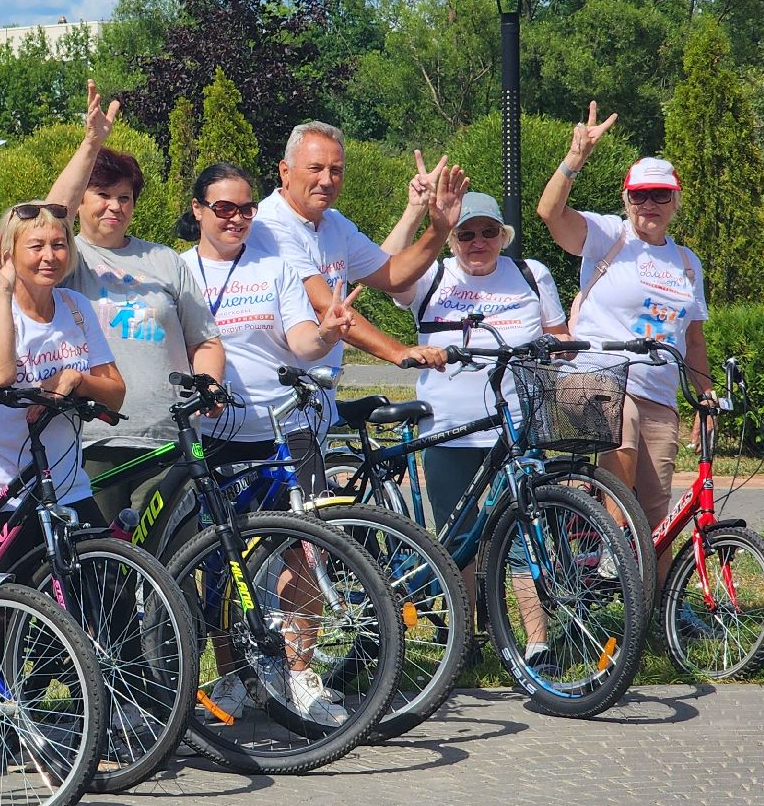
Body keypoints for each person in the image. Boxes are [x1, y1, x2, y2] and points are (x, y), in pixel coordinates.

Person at [176, 163, 354, 726]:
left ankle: (303, 678)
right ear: (199, 210)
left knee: (304, 554)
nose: (236, 218)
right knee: (221, 568)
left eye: (246, 208)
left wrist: (325, 333)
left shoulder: (275, 267)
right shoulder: (178, 270)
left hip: (283, 429)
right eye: (223, 208)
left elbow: (300, 340)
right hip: (211, 438)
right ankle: (237, 679)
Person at [537, 103, 710, 569]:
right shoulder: (607, 235)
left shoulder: (688, 264)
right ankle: (613, 541)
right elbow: (549, 212)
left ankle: (659, 617)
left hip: (659, 394)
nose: (649, 205)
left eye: (659, 195)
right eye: (640, 196)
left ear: (676, 200)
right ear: (626, 198)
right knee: (624, 420)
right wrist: (575, 158)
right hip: (595, 376)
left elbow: (693, 343)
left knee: (658, 513)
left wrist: (707, 399)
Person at [46, 81, 223, 521]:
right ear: (83, 202)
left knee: (176, 565)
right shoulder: (68, 257)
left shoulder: (164, 261)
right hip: (93, 440)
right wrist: (91, 144)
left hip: (168, 438)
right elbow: (49, 216)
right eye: (102, 195)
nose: (114, 206)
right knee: (106, 575)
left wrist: (210, 387)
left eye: (124, 197)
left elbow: (205, 340)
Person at [383, 189, 568, 552]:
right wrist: (416, 208)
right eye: (466, 234)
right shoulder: (431, 275)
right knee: (458, 547)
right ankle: (465, 611)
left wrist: (560, 350)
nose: (478, 242)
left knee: (525, 546)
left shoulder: (532, 274)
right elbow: (385, 266)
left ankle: (530, 611)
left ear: (504, 236)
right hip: (447, 431)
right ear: (451, 239)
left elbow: (559, 336)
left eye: (489, 232)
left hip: (517, 431)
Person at [251, 123, 464, 388]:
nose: (327, 181)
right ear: (285, 171)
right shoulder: (269, 225)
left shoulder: (334, 223)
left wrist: (439, 228)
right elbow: (325, 308)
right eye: (315, 168)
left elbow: (394, 275)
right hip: (274, 398)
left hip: (317, 400)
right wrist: (398, 352)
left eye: (336, 170)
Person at [0, 202, 125, 519]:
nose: (50, 256)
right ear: (9, 253)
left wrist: (75, 380)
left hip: (66, 484)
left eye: (59, 245)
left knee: (100, 568)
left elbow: (115, 395)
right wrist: (2, 290)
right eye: (36, 246)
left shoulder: (75, 307)